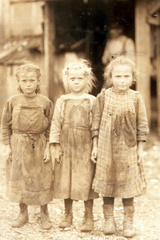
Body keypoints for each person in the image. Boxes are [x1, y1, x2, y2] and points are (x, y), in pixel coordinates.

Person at [91, 56, 149, 238]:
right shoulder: (103, 97)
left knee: (128, 185)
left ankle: (128, 221)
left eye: (126, 76)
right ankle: (109, 219)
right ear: (110, 77)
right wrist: (94, 146)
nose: (122, 80)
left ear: (132, 78)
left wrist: (140, 150)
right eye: (118, 76)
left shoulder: (136, 98)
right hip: (106, 147)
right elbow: (96, 122)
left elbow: (142, 125)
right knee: (108, 183)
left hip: (128, 149)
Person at [1, 63, 53, 230]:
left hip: (39, 144)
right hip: (18, 145)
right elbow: (4, 126)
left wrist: (48, 147)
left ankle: (44, 213)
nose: (28, 84)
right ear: (18, 82)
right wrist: (7, 146)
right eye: (24, 80)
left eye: (32, 80)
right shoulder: (12, 101)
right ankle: (23, 213)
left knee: (41, 178)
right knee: (20, 178)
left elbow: (52, 127)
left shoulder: (45, 102)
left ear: (38, 82)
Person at [49, 60, 98, 232]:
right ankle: (68, 215)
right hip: (66, 144)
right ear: (67, 80)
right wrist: (55, 145)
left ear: (86, 80)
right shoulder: (62, 100)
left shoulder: (92, 101)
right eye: (72, 79)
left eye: (79, 78)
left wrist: (95, 146)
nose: (76, 82)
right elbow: (55, 124)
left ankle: (89, 216)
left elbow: (95, 126)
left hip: (85, 145)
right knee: (65, 179)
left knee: (86, 179)